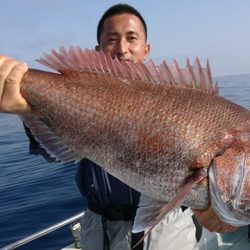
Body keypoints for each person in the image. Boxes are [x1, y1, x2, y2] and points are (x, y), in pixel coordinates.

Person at [0, 3, 238, 250]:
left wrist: (216, 207)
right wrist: (25, 109)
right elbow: (54, 153)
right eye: (112, 39)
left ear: (146, 50)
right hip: (98, 227)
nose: (122, 48)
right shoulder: (80, 92)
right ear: (96, 51)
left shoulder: (181, 98)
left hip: (166, 229)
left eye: (131, 38)